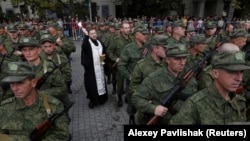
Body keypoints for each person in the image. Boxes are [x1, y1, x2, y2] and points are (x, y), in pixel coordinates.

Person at [169, 50, 250, 125]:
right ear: (215, 73)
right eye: (232, 72)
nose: (239, 78)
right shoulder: (195, 104)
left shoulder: (239, 102)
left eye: (241, 72)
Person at [0, 61, 70, 140]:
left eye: (20, 83)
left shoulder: (53, 105)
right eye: (12, 84)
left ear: (33, 83)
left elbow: (62, 135)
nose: (15, 89)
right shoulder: (4, 107)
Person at [132, 44, 197, 125]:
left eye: (184, 58)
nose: (182, 63)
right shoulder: (154, 79)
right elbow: (136, 98)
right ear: (168, 60)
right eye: (177, 59)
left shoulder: (189, 76)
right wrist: (154, 108)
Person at [17, 36, 69, 107]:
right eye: (24, 50)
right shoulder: (19, 69)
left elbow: (62, 88)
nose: (28, 53)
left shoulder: (50, 68)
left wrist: (39, 93)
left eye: (31, 49)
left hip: (48, 105)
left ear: (39, 50)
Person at [129, 35, 167, 125]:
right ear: (155, 49)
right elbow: (133, 86)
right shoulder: (141, 66)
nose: (167, 50)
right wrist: (144, 99)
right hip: (147, 109)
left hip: (164, 106)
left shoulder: (167, 63)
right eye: (164, 48)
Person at [117, 24, 150, 125]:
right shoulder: (128, 48)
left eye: (146, 34)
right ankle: (131, 117)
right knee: (132, 102)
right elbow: (121, 65)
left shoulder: (148, 47)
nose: (146, 36)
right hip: (133, 83)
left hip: (146, 82)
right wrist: (129, 76)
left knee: (146, 102)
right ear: (136, 35)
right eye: (143, 34)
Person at [106, 21, 133, 107]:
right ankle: (120, 97)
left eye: (129, 28)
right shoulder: (116, 40)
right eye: (125, 28)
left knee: (129, 83)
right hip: (120, 66)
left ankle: (127, 97)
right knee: (120, 84)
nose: (128, 30)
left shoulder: (132, 39)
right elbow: (109, 51)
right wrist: (115, 58)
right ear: (121, 29)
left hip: (130, 66)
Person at [81, 28, 108, 109]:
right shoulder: (87, 42)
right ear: (89, 35)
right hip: (91, 69)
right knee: (92, 85)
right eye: (92, 33)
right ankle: (93, 100)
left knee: (101, 83)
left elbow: (104, 52)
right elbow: (84, 48)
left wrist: (103, 58)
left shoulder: (100, 42)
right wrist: (85, 36)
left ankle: (101, 99)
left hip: (100, 67)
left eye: (95, 33)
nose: (94, 34)